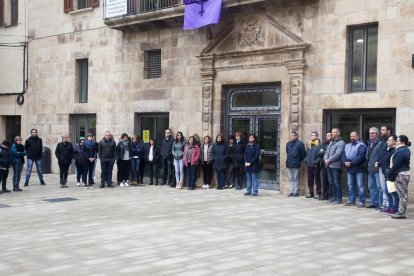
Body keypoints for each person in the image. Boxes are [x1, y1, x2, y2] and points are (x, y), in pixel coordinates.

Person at [388, 135, 411, 219]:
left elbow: (396, 164)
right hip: (401, 174)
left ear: (403, 142)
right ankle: (400, 211)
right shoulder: (402, 150)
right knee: (402, 194)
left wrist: (390, 173)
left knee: (402, 195)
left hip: (402, 174)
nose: (396, 142)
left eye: (397, 141)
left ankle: (401, 212)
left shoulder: (403, 150)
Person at [342, 130, 367, 208]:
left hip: (359, 169)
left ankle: (361, 202)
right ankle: (351, 200)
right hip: (349, 169)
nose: (352, 137)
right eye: (351, 136)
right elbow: (343, 154)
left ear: (357, 136)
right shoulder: (347, 145)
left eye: (354, 136)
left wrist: (351, 163)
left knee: (361, 186)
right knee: (351, 185)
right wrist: (345, 162)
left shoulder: (362, 145)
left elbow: (360, 157)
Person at [324, 128, 345, 205]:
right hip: (328, 165)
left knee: (336, 182)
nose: (332, 133)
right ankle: (334, 196)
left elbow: (338, 154)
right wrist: (325, 159)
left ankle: (338, 198)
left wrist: (329, 160)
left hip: (336, 166)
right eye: (332, 132)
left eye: (334, 132)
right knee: (331, 182)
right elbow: (326, 152)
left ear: (338, 133)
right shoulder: (331, 142)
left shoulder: (341, 142)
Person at [375, 124, 394, 210]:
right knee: (382, 187)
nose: (381, 131)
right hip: (381, 166)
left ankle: (387, 205)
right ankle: (384, 204)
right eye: (381, 130)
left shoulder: (390, 141)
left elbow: (386, 156)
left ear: (388, 131)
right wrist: (377, 161)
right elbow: (380, 153)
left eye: (383, 130)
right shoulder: (383, 141)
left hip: (386, 167)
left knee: (386, 187)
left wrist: (379, 162)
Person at [286, 131, 306, 197]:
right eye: (290, 135)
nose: (291, 137)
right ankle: (292, 191)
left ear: (296, 136)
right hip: (289, 163)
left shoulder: (300, 143)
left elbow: (303, 154)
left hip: (296, 163)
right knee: (291, 178)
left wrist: (298, 160)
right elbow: (287, 152)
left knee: (295, 178)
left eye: (292, 135)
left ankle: (296, 191)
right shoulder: (288, 143)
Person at [365, 127, 381, 208]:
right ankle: (373, 202)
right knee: (371, 186)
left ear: (377, 134)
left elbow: (381, 156)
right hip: (370, 169)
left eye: (373, 133)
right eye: (370, 133)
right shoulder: (369, 143)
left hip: (377, 169)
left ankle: (379, 203)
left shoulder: (380, 143)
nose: (371, 134)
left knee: (379, 187)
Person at [382, 135, 399, 215]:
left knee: (393, 192)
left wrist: (389, 171)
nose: (387, 141)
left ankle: (394, 208)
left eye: (389, 140)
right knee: (387, 191)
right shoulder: (388, 150)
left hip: (391, 175)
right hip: (387, 175)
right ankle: (390, 207)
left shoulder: (395, 151)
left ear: (394, 141)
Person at [305, 131, 322, 199]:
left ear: (317, 136)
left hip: (316, 165)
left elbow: (321, 156)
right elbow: (307, 154)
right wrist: (306, 160)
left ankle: (318, 193)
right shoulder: (309, 144)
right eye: (311, 135)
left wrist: (316, 162)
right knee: (310, 180)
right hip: (309, 165)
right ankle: (311, 193)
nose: (312, 136)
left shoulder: (320, 144)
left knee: (317, 180)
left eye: (313, 135)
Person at [318, 131, 332, 200]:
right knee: (324, 181)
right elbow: (319, 153)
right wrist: (325, 152)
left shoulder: (333, 144)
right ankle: (324, 195)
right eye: (327, 135)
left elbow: (330, 153)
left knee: (331, 181)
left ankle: (331, 195)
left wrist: (323, 151)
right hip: (323, 165)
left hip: (331, 164)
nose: (327, 137)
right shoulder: (323, 144)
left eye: (329, 135)